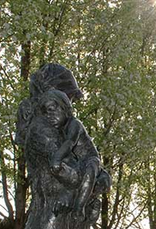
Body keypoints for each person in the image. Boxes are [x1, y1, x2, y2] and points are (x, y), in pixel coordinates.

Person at [38, 89, 107, 221]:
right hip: (78, 163)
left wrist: (56, 159)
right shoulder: (58, 130)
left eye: (52, 109)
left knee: (88, 175)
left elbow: (70, 143)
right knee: (81, 180)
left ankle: (79, 208)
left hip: (90, 159)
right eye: (46, 113)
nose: (49, 116)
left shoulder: (74, 124)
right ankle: (91, 202)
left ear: (65, 108)